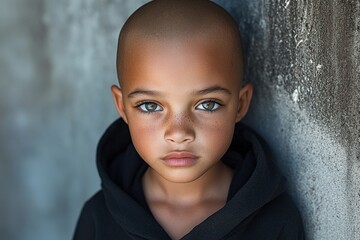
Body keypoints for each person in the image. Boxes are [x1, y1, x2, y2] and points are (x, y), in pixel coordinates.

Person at [73, 0, 304, 239]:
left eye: (207, 104)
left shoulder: (276, 222)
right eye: (150, 106)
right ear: (122, 107)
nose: (179, 132)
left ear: (240, 104)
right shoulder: (99, 218)